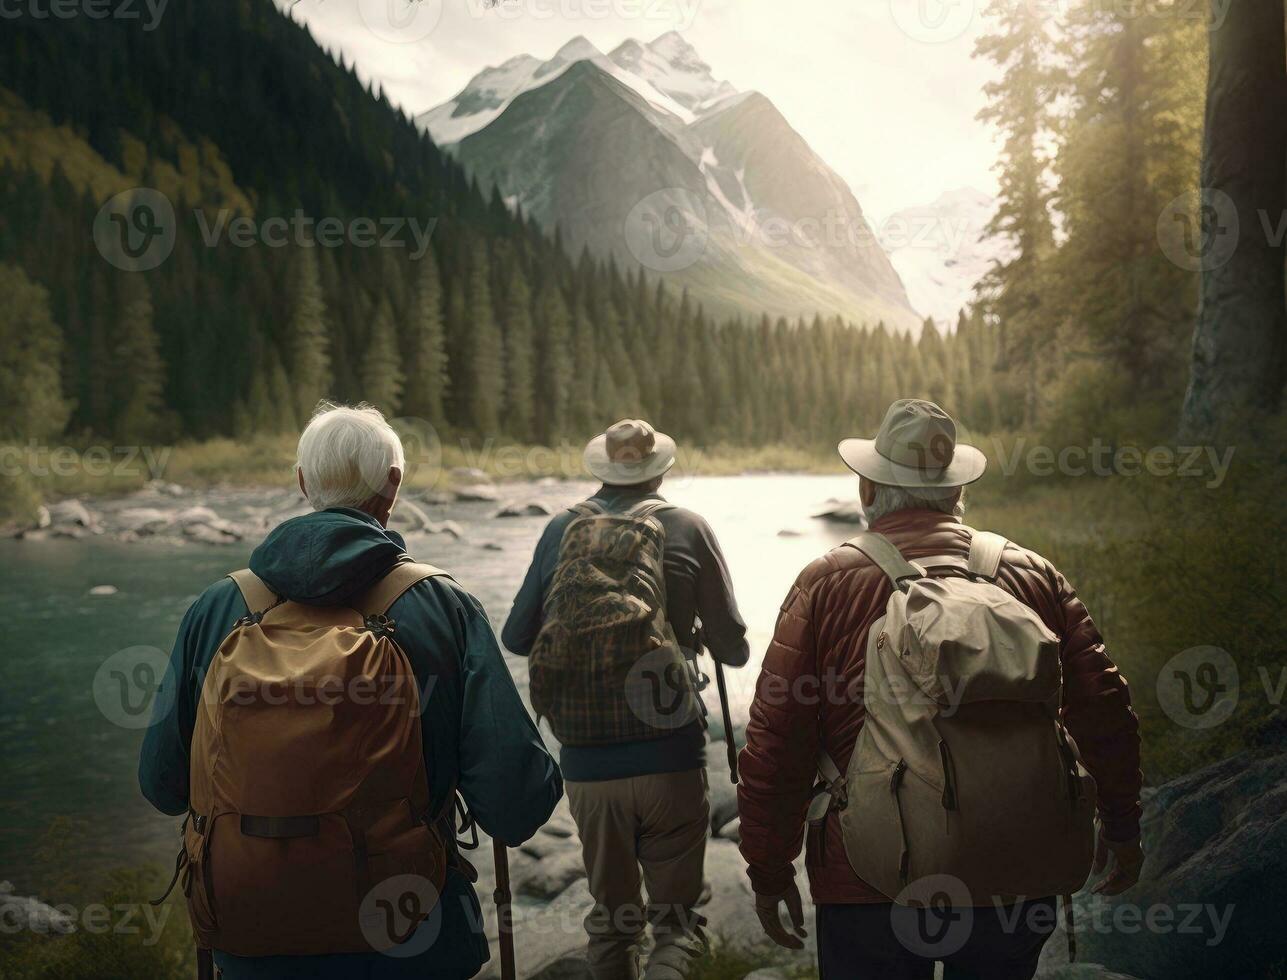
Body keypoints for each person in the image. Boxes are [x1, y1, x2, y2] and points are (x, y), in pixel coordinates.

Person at [139, 402, 562, 980]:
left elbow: (163, 786)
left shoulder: (219, 608)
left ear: (301, 483)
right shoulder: (441, 606)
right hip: (409, 937)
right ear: (393, 485)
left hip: (252, 939)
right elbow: (515, 803)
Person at [736, 399, 1144, 980]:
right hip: (1017, 863)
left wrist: (769, 870)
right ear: (956, 494)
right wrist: (1122, 824)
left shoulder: (826, 584)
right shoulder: (1031, 573)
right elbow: (1105, 710)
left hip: (870, 879)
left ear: (868, 491)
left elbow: (777, 743)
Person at [503, 419, 749, 980]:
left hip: (589, 766)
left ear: (603, 470)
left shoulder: (561, 530)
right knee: (676, 928)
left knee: (612, 924)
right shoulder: (688, 526)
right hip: (670, 756)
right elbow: (734, 650)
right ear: (661, 468)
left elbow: (516, 637)